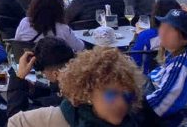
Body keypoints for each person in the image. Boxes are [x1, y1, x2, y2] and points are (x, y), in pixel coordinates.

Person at [9, 47, 145, 127]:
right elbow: (16, 121)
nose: (121, 103)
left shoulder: (134, 120)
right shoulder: (61, 118)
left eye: (128, 96)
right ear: (89, 94)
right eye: (111, 95)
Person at [14, 0, 84, 52]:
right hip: (56, 65)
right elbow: (80, 47)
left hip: (31, 64)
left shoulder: (24, 23)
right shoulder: (63, 29)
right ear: (59, 10)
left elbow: (18, 42)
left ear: (34, 6)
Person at [130, 0, 181, 74]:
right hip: (172, 72)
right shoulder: (183, 35)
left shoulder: (146, 36)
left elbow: (134, 60)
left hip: (147, 77)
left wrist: (136, 36)